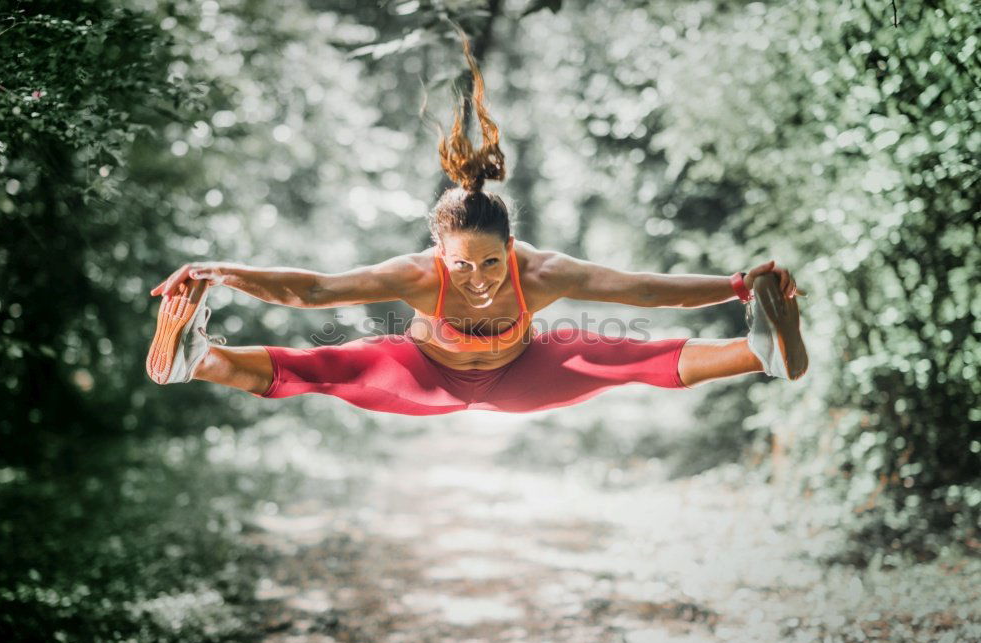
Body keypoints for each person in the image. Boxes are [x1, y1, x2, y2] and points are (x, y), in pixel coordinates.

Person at [146, 36, 807, 416]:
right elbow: (316, 291)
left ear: (511, 248)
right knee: (321, 365)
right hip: (425, 375)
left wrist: (735, 285)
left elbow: (642, 290)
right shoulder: (415, 275)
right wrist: (217, 273)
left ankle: (763, 350)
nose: (480, 279)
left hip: (524, 371)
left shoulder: (541, 272)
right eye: (462, 265)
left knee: (621, 356)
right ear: (439, 253)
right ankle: (197, 359)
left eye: (491, 263)